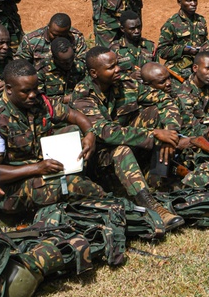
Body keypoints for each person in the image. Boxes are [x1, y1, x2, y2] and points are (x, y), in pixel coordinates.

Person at [70, 47, 183, 229]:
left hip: (133, 147)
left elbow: (164, 99)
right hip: (100, 160)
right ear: (94, 73)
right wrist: (153, 134)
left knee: (153, 113)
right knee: (122, 150)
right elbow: (106, 132)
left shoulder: (125, 83)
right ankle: (152, 206)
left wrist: (170, 132)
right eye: (111, 67)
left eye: (117, 64)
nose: (118, 69)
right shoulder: (83, 96)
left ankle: (159, 180)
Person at [0, 59, 104, 215]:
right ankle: (107, 203)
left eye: (35, 89)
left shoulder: (37, 101)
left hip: (42, 167)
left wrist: (90, 133)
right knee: (72, 185)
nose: (32, 95)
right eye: (26, 91)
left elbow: (73, 115)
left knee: (73, 130)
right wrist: (37, 168)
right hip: (13, 189)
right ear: (9, 89)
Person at [156, 0, 208, 79]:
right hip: (178, 71)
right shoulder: (171, 24)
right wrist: (184, 50)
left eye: (195, 0)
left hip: (198, 68)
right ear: (179, 2)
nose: (193, 4)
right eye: (189, 1)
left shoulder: (201, 21)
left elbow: (205, 42)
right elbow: (162, 51)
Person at [16, 13, 87, 68]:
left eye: (62, 36)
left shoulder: (76, 37)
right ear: (48, 27)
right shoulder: (31, 40)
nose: (57, 38)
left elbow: (83, 61)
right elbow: (20, 64)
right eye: (54, 35)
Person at [37, 36, 86, 103]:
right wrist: (64, 99)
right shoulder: (42, 71)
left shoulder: (79, 67)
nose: (69, 64)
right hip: (53, 109)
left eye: (71, 59)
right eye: (64, 62)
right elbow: (38, 99)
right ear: (54, 58)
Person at [108, 10, 155, 76]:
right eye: (132, 29)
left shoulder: (150, 46)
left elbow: (157, 70)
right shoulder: (114, 49)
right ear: (122, 29)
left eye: (139, 27)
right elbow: (109, 76)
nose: (137, 31)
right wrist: (130, 76)